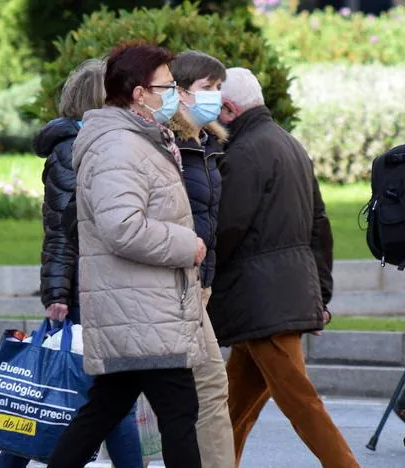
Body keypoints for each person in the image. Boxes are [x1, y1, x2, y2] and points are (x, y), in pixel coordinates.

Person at [47, 43, 206, 468]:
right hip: (141, 307)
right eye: (166, 85)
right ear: (139, 92)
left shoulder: (134, 138)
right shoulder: (119, 145)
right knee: (178, 414)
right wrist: (185, 244)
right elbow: (121, 226)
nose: (173, 93)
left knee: (102, 412)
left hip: (139, 307)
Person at [0, 59, 144, 468]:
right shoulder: (71, 150)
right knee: (94, 394)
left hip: (101, 285)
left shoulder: (102, 144)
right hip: (84, 288)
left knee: (91, 394)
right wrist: (58, 293)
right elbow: (61, 230)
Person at [210, 67, 359, 468]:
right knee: (231, 410)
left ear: (227, 108)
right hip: (276, 298)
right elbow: (320, 226)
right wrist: (320, 292)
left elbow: (227, 228)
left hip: (260, 302)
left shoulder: (243, 153)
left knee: (300, 403)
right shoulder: (288, 144)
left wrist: (201, 273)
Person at [168, 50, 235, 468]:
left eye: (219, 87)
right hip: (175, 282)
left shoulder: (207, 143)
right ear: (179, 91)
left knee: (200, 390)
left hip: (199, 282)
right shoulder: (170, 142)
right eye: (207, 88)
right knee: (209, 386)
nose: (216, 96)